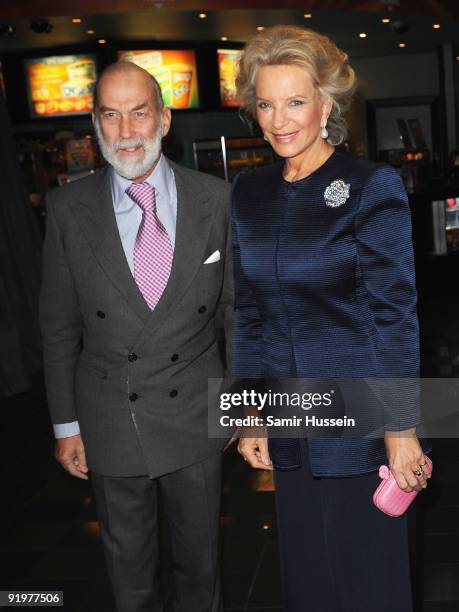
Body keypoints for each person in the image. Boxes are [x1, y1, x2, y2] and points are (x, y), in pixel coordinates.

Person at [232, 25, 431, 612]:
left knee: (371, 586)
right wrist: (248, 415)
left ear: (326, 104)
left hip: (363, 425)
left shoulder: (373, 185)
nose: (279, 119)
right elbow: (248, 312)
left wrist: (402, 432)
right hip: (292, 423)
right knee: (309, 586)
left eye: (295, 101)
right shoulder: (248, 192)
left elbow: (396, 315)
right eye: (266, 103)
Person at [39, 61, 232, 612]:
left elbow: (238, 312)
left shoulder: (216, 200)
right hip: (108, 419)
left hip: (196, 410)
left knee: (202, 569)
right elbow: (56, 327)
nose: (126, 131)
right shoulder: (67, 208)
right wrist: (66, 424)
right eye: (111, 115)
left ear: (165, 120)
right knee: (130, 578)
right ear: (95, 125)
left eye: (139, 113)